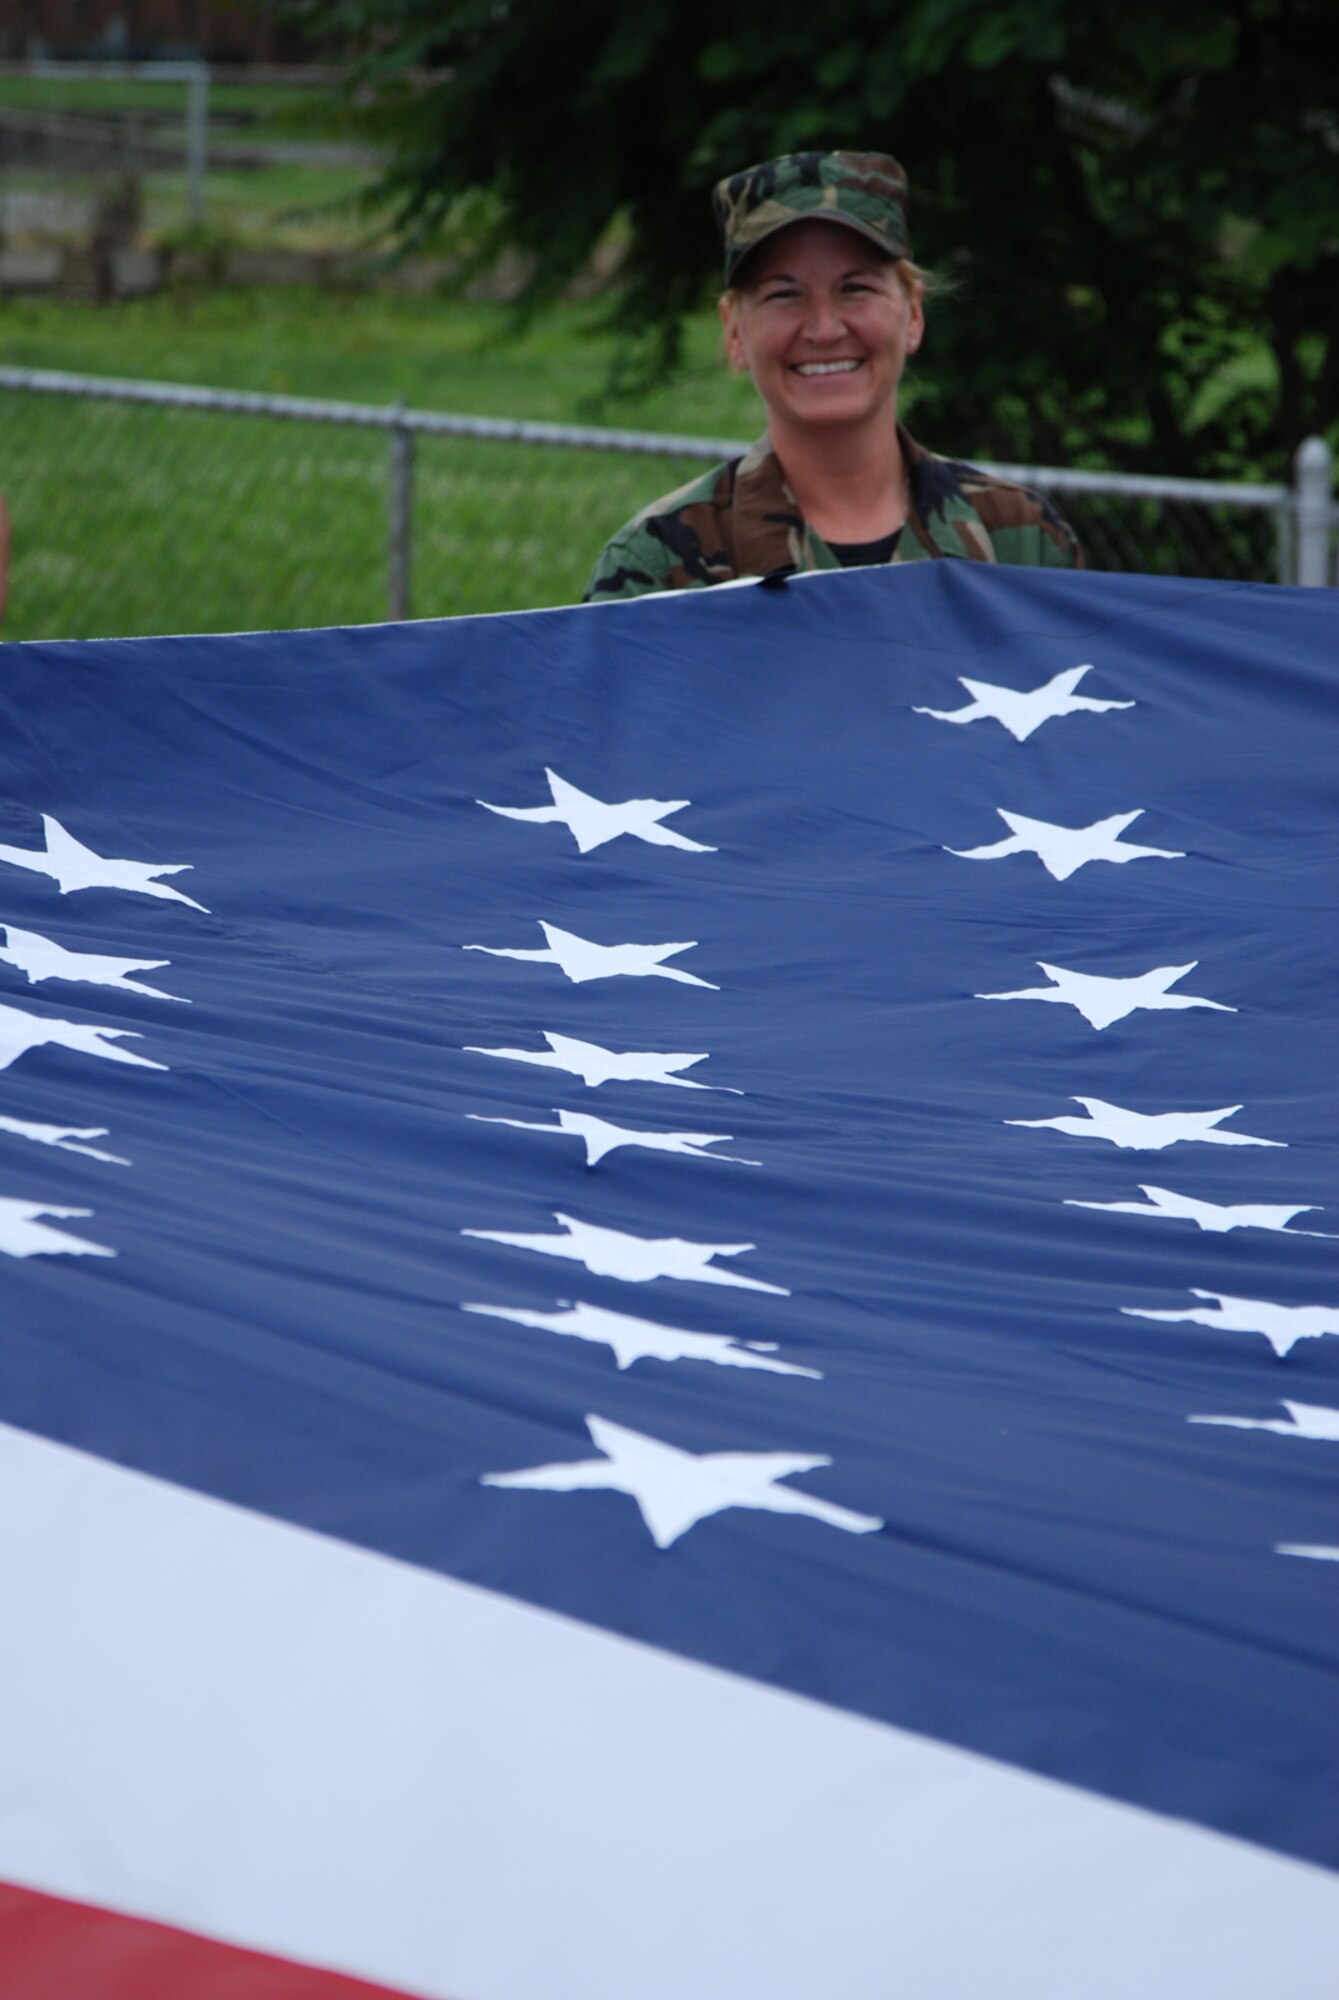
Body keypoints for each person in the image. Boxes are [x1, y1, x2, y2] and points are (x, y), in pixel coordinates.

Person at [584, 150, 1081, 601]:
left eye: (855, 288)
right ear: (734, 332)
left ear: (912, 315)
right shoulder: (658, 568)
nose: (824, 329)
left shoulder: (1020, 540)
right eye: (784, 294)